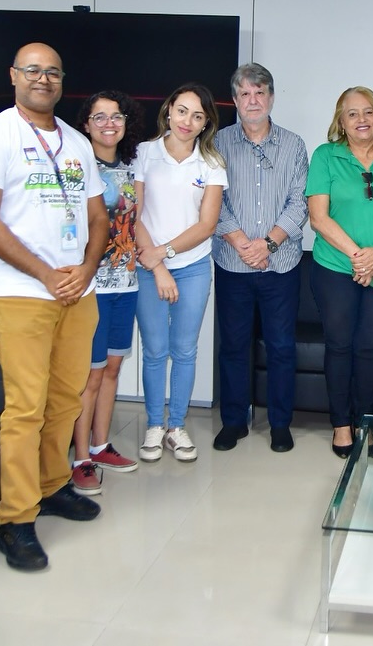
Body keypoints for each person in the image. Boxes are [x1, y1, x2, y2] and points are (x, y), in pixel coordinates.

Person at [0, 42, 108, 571]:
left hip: (78, 292)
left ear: (62, 80)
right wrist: (46, 274)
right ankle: (16, 521)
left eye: (52, 72)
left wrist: (86, 269)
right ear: (14, 76)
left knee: (65, 400)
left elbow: (97, 218)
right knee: (25, 407)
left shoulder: (76, 142)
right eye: (33, 71)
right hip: (21, 292)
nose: (43, 79)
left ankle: (51, 485)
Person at [307, 87, 373, 458]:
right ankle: (341, 425)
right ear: (341, 121)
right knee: (339, 345)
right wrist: (358, 257)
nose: (361, 119)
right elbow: (318, 217)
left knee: (370, 347)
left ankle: (365, 422)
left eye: (368, 112)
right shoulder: (325, 156)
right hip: (335, 267)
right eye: (352, 113)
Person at [212, 63, 308, 454]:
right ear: (235, 100)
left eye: (260, 92)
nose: (253, 101)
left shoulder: (294, 145)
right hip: (231, 263)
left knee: (282, 346)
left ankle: (280, 424)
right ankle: (234, 421)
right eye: (245, 94)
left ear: (271, 97)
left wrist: (267, 244)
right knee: (234, 346)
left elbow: (299, 202)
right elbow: (212, 201)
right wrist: (242, 243)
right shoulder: (217, 144)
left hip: (280, 264)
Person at [134, 84, 227, 463]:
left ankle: (176, 427)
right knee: (155, 351)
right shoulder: (144, 153)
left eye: (198, 116)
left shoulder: (212, 163)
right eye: (183, 111)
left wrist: (165, 253)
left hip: (192, 267)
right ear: (169, 110)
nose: (188, 121)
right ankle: (154, 426)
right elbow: (135, 215)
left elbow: (207, 225)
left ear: (206, 123)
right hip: (148, 268)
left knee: (185, 350)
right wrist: (157, 266)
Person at [70, 91, 144, 496]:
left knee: (112, 368)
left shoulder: (131, 167)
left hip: (127, 282)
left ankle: (100, 446)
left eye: (116, 116)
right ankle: (80, 458)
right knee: (92, 374)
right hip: (92, 288)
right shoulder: (79, 169)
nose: (109, 124)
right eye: (99, 117)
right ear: (86, 125)